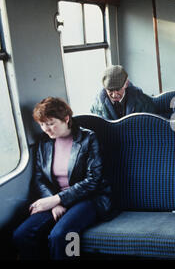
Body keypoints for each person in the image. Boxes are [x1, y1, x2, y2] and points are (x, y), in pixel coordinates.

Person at [13, 97, 112, 260]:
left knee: (61, 236)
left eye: (51, 123)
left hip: (89, 199)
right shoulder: (44, 143)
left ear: (66, 119)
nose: (46, 129)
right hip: (54, 197)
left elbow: (93, 179)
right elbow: (39, 178)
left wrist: (58, 199)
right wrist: (54, 201)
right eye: (42, 124)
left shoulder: (88, 138)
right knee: (21, 234)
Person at [90, 65, 157, 120]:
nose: (114, 95)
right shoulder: (96, 106)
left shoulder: (142, 101)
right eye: (110, 90)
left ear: (126, 84)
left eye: (118, 89)